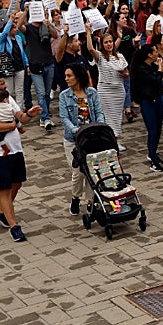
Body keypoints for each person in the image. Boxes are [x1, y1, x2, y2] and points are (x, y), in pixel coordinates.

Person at [0, 73, 42, 243]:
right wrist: (11, 125)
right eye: (2, 83)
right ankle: (14, 226)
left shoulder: (7, 99)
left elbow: (20, 118)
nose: (5, 86)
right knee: (4, 188)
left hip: (15, 149)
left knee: (17, 184)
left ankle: (1, 211)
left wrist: (30, 114)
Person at [59, 64, 106, 216]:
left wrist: (98, 126)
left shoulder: (92, 93)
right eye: (65, 76)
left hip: (91, 138)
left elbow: (99, 112)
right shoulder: (64, 96)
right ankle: (75, 197)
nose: (66, 79)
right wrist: (75, 129)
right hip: (73, 140)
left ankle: (91, 201)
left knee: (91, 172)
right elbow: (64, 118)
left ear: (78, 77)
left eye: (69, 76)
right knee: (78, 172)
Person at [88, 29, 128, 148]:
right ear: (102, 44)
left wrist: (124, 74)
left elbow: (126, 72)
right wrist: (88, 32)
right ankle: (109, 140)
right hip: (105, 90)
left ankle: (115, 139)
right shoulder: (100, 56)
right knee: (108, 116)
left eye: (110, 41)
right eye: (106, 42)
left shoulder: (119, 56)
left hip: (119, 90)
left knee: (117, 116)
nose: (109, 44)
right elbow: (90, 49)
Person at [130, 43, 163, 172]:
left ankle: (154, 152)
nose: (157, 53)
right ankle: (152, 158)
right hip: (148, 102)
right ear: (149, 55)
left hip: (157, 99)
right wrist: (160, 70)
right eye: (155, 51)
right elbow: (155, 80)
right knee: (152, 130)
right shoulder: (142, 69)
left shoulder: (151, 66)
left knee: (158, 129)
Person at [21, 6, 58, 129]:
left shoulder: (45, 26)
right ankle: (45, 118)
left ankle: (44, 116)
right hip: (35, 65)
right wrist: (25, 11)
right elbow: (19, 26)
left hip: (48, 63)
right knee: (41, 93)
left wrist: (49, 24)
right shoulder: (29, 28)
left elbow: (56, 35)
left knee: (47, 93)